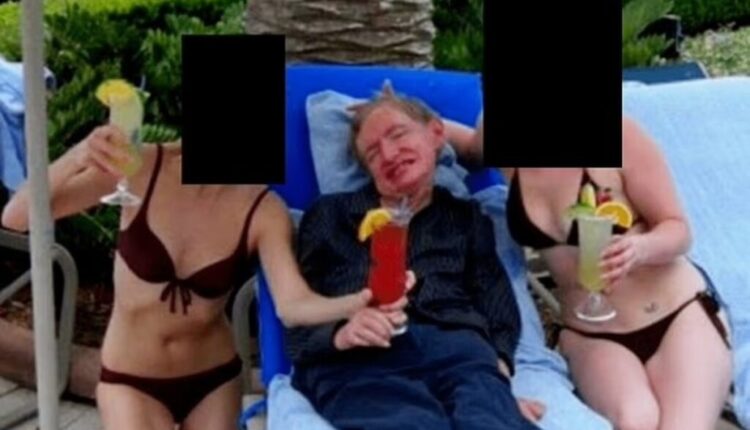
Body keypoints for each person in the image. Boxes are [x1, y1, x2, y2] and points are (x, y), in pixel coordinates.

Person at [1, 126, 378, 430]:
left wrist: (357, 302)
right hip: (130, 378)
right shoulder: (140, 166)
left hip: (213, 380)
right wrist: (79, 155)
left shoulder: (263, 208)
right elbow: (17, 216)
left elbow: (292, 304)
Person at [448, 115, 733, 430]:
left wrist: (641, 248)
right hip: (592, 334)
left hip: (674, 316)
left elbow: (677, 228)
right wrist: (410, 117)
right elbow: (468, 147)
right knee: (635, 422)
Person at [285, 83, 544, 429]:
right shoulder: (330, 215)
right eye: (372, 153)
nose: (388, 154)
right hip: (361, 360)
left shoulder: (466, 217)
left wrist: (498, 374)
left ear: (436, 134)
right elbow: (298, 310)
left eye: (398, 134)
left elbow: (495, 299)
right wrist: (338, 334)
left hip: (460, 354)